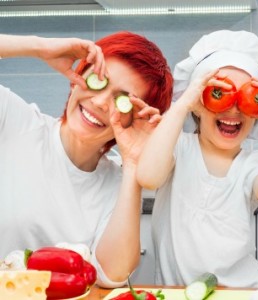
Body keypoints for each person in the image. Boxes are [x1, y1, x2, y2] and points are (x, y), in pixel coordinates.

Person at [0, 31, 173, 287]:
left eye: (121, 99)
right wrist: (40, 47)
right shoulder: (14, 120)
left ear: (136, 118)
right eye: (99, 81)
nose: (101, 102)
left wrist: (133, 164)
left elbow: (112, 275)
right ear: (78, 77)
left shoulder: (118, 184)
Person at [136, 30, 258, 288]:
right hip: (178, 292)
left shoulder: (251, 164)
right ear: (198, 105)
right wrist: (184, 103)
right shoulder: (178, 148)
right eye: (219, 94)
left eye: (247, 98)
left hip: (243, 292)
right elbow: (148, 176)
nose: (233, 109)